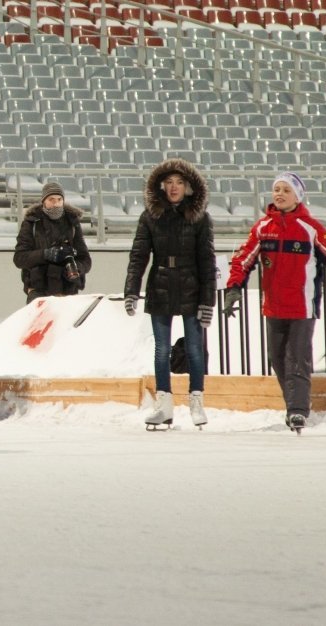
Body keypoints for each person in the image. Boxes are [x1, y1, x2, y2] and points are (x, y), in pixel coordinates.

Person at [223, 172, 326, 432]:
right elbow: (243, 260)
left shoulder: (311, 229)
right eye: (276, 189)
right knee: (277, 358)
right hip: (274, 306)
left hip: (302, 307)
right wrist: (233, 288)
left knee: (298, 358)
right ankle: (294, 403)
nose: (279, 194)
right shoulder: (262, 228)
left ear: (297, 196)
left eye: (285, 190)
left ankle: (298, 411)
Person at [123, 159, 216, 430]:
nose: (174, 187)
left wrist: (207, 301)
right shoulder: (151, 216)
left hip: (191, 285)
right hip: (161, 284)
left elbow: (207, 261)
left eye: (179, 183)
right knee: (162, 349)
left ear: (188, 187)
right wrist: (131, 290)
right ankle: (163, 404)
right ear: (162, 186)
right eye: (169, 183)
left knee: (195, 349)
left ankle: (196, 402)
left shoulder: (200, 217)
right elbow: (138, 256)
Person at [12, 181, 92, 304]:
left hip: (68, 290)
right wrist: (46, 254)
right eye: (51, 199)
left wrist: (75, 267)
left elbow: (86, 260)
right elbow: (19, 258)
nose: (56, 204)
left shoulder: (72, 223)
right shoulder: (31, 223)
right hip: (39, 290)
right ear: (44, 201)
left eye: (59, 199)